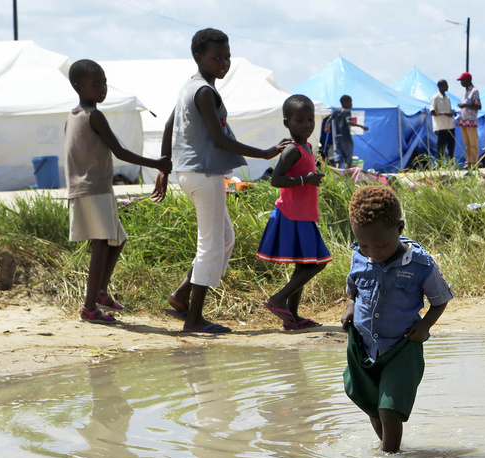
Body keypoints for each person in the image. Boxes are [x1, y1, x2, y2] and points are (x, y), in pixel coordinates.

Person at [152, 28, 287, 334]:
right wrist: (264, 153)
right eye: (216, 58)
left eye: (226, 57)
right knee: (211, 246)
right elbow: (219, 139)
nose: (223, 63)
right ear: (198, 57)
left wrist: (164, 167)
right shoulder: (203, 92)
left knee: (224, 239)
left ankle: (181, 295)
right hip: (204, 173)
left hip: (193, 173)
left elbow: (170, 124)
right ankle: (195, 319)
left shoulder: (191, 87)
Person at [341, 185, 453, 453]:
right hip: (365, 347)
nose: (372, 251)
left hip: (402, 347)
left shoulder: (420, 264)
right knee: (373, 406)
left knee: (389, 408)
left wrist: (425, 325)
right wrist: (349, 306)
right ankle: (388, 450)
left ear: (400, 228)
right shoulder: (359, 257)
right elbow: (354, 291)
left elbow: (440, 299)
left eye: (380, 244)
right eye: (365, 244)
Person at [65, 60, 172, 324]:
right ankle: (90, 307)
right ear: (78, 86)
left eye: (103, 83)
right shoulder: (94, 116)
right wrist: (156, 163)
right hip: (94, 188)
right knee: (101, 244)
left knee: (117, 238)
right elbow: (119, 151)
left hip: (86, 188)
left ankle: (101, 292)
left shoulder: (73, 115)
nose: (102, 88)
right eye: (95, 84)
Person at [256, 94, 330, 330]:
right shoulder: (292, 150)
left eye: (310, 120)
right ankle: (278, 299)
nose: (307, 124)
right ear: (287, 122)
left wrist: (308, 179)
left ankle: (292, 317)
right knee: (318, 263)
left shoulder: (307, 146)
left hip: (304, 213)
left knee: (303, 263)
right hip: (292, 214)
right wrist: (304, 179)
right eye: (300, 120)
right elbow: (276, 180)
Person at [329, 95, 369, 169]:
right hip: (346, 137)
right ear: (345, 102)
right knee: (348, 155)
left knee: (338, 156)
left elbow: (329, 120)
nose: (351, 104)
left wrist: (326, 127)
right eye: (350, 102)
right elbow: (348, 122)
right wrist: (361, 126)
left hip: (337, 138)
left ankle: (338, 171)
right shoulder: (347, 111)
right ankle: (349, 172)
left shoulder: (335, 111)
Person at [455, 71, 481, 169]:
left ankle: (474, 163)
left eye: (462, 80)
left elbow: (478, 106)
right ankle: (468, 162)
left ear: (468, 80)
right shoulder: (464, 92)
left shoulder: (474, 91)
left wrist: (466, 105)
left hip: (471, 121)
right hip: (463, 121)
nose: (461, 83)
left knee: (473, 143)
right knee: (467, 144)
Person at [429, 80, 457, 163]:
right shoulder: (435, 97)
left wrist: (452, 113)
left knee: (451, 147)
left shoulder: (447, 98)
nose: (447, 87)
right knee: (441, 147)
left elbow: (448, 110)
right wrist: (445, 114)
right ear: (440, 86)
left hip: (450, 126)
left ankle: (451, 164)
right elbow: (432, 112)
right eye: (446, 85)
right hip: (441, 127)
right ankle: (440, 164)